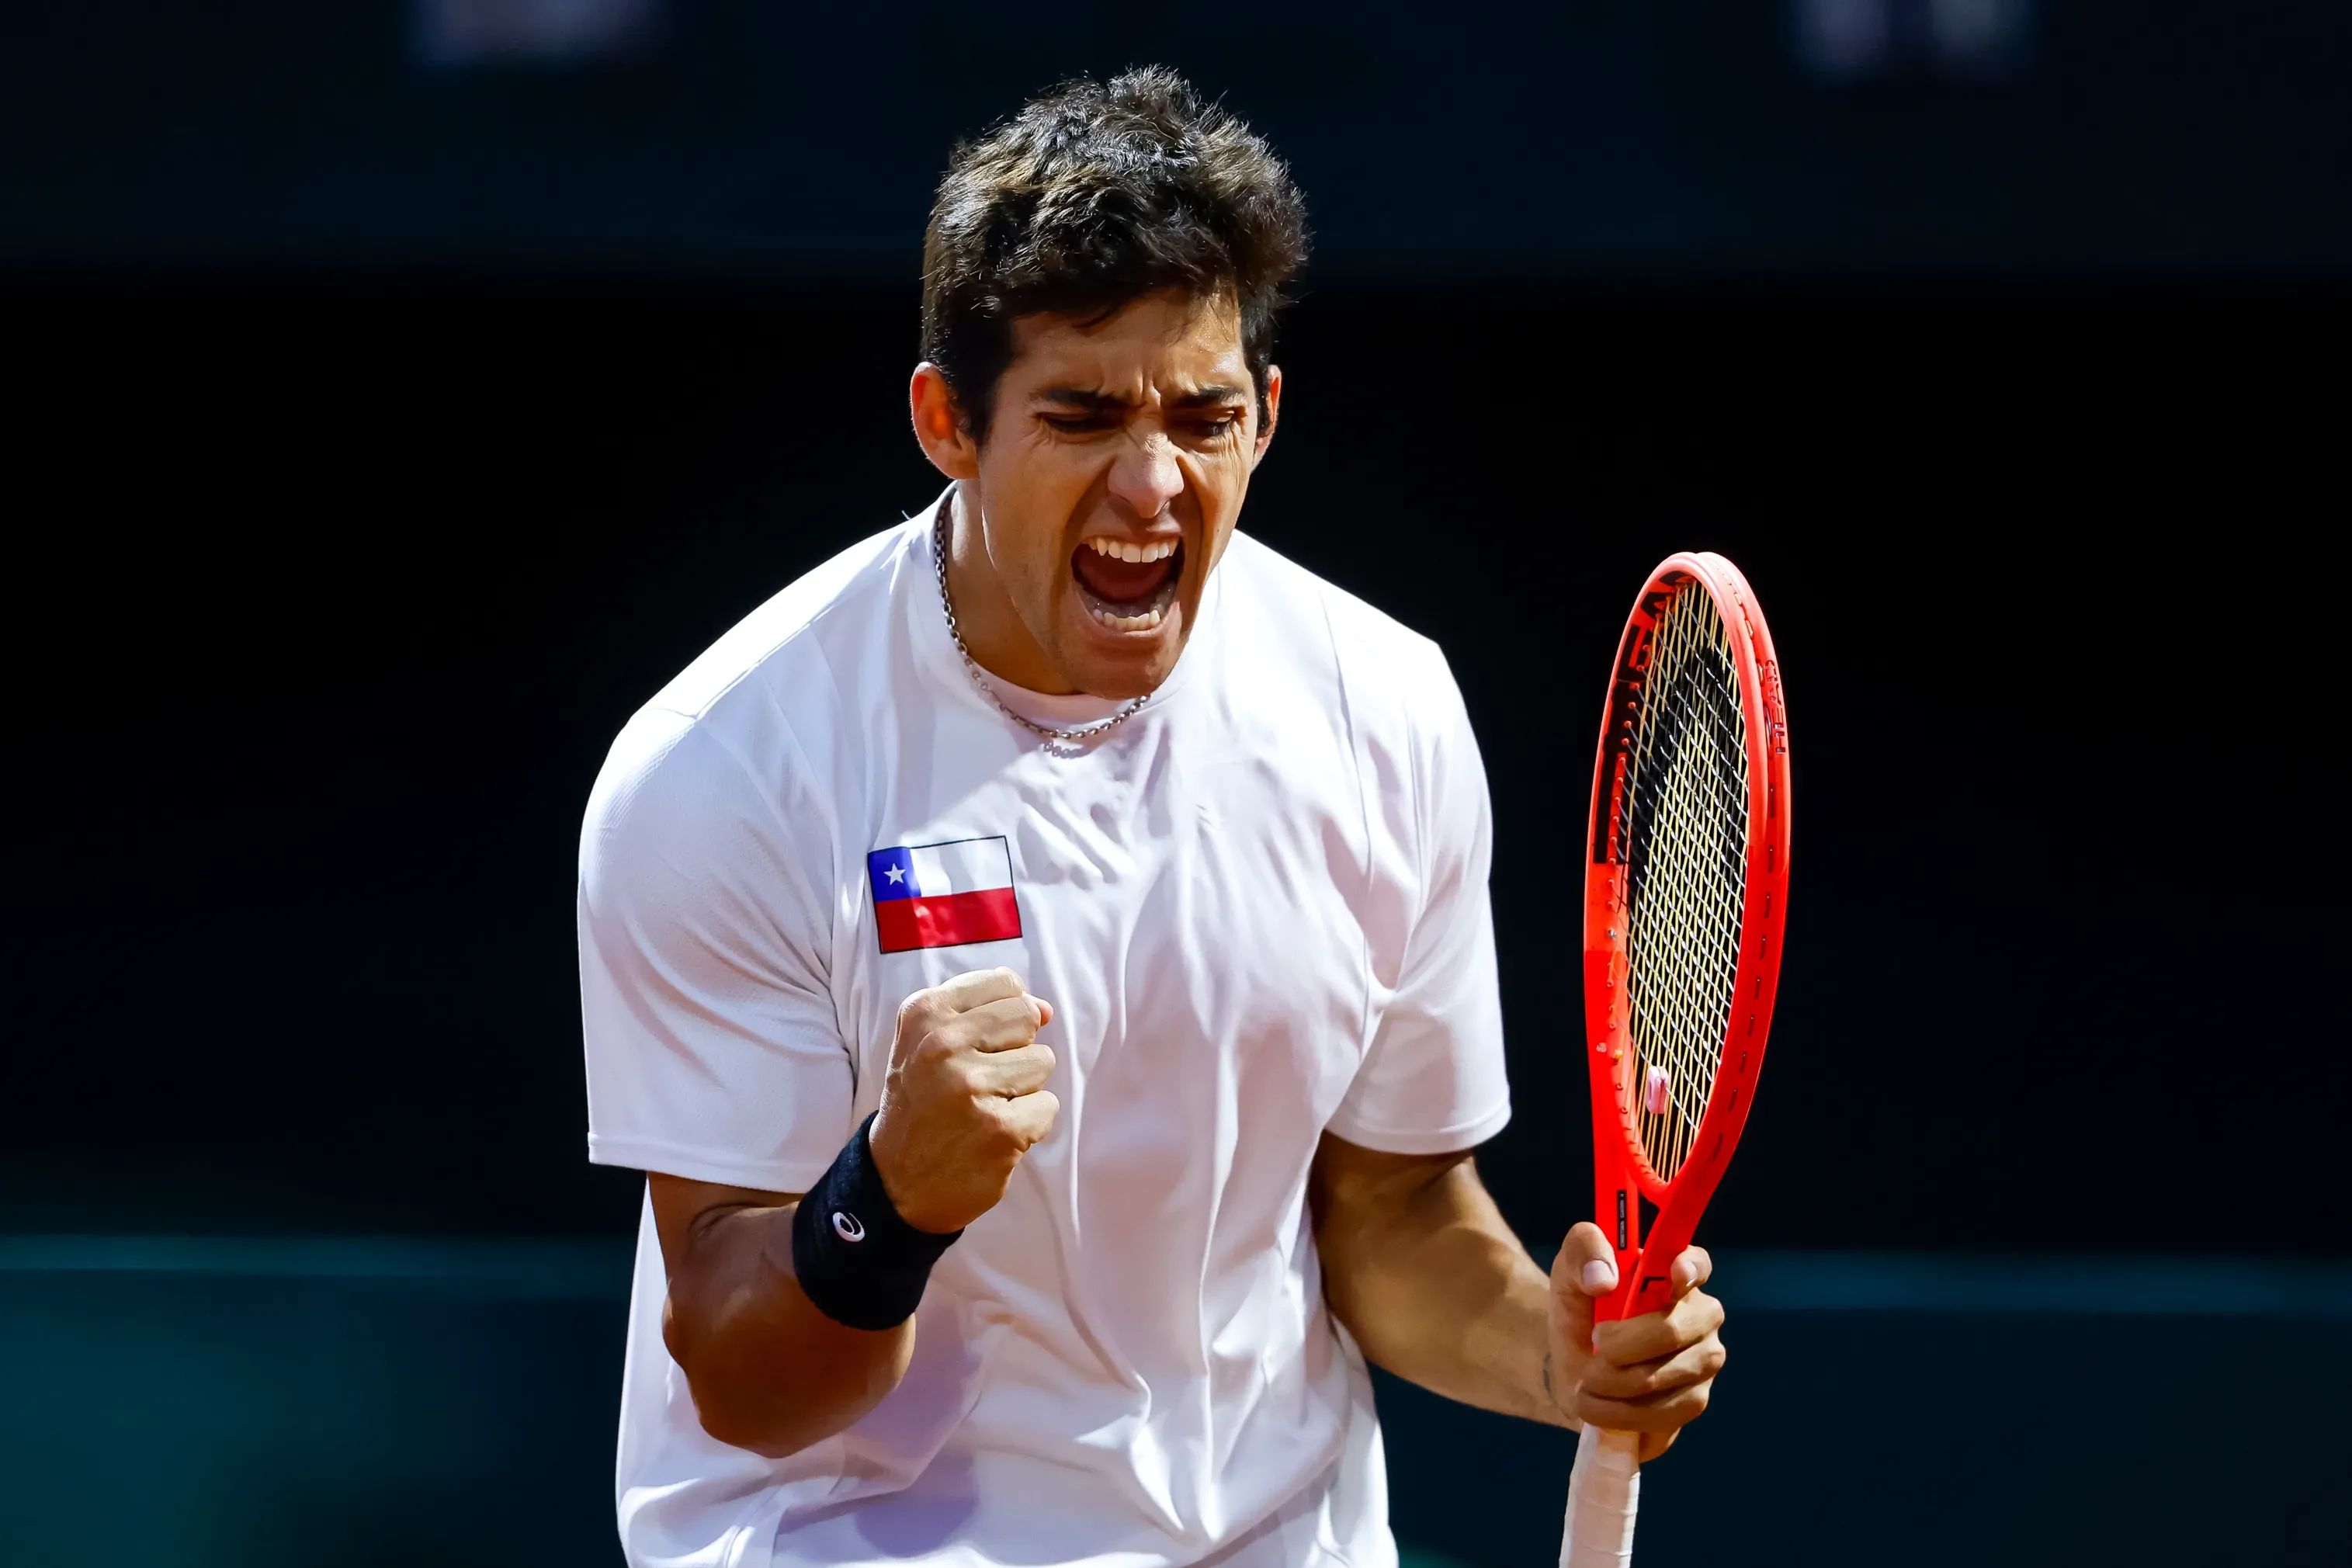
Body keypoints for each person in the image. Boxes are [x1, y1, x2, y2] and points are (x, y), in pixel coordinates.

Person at [578, 67, 1728, 1568]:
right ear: (947, 423)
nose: (1151, 483)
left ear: (1266, 415)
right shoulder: (719, 771)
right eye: (1081, 416)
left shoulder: (1380, 707)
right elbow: (745, 1386)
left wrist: (1554, 1357)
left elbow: (1386, 1215)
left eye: (1202, 418)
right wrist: (885, 1203)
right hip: (855, 1539)